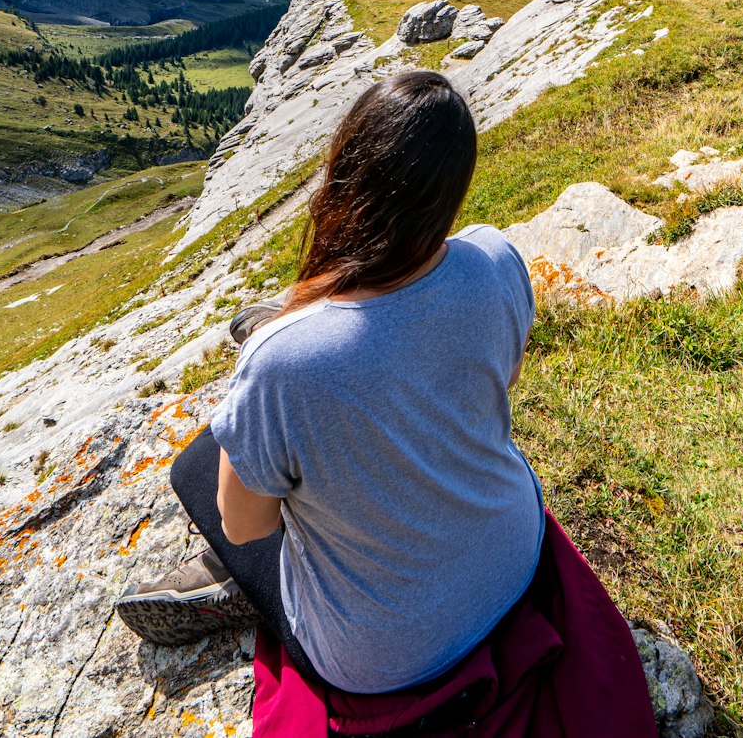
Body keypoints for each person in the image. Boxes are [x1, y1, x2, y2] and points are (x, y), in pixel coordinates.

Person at [116, 70, 545, 692]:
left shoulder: (280, 363)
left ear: (347, 177)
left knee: (198, 465)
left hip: (382, 658)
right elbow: (498, 377)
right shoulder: (498, 260)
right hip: (514, 558)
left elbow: (246, 526)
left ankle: (234, 586)